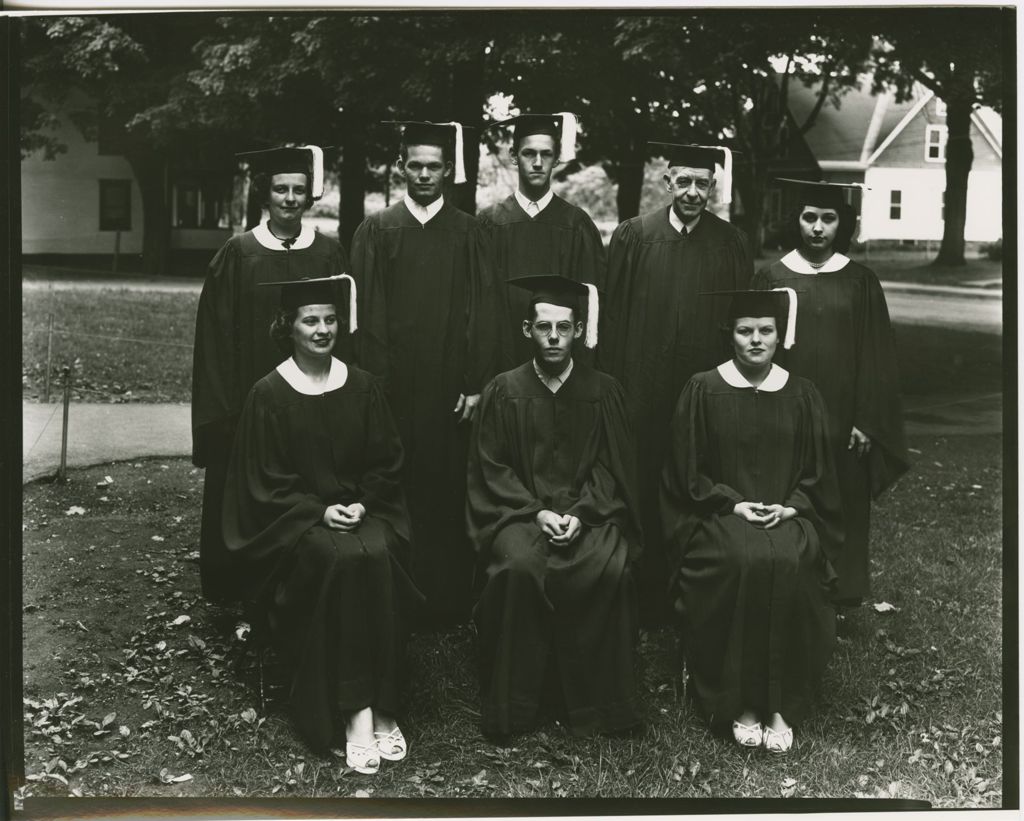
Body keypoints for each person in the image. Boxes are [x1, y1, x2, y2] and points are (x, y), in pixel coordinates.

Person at [221, 276, 421, 774]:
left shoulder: (362, 385)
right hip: (295, 525)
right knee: (342, 557)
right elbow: (261, 485)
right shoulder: (268, 394)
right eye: (310, 320)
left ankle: (387, 706)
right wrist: (317, 511)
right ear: (287, 326)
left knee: (376, 551)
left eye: (330, 320)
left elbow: (386, 461)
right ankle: (358, 710)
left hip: (363, 511)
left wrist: (364, 503)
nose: (322, 329)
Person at [660, 289, 843, 754]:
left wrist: (792, 505)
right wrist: (733, 503)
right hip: (721, 514)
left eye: (766, 331)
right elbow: (688, 472)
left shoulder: (802, 393)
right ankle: (741, 700)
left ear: (780, 336)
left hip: (787, 513)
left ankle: (779, 703)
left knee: (788, 561)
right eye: (745, 331)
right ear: (730, 336)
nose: (756, 340)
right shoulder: (703, 388)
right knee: (745, 559)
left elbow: (818, 473)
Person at [468, 275, 643, 739]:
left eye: (563, 328)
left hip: (589, 513)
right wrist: (538, 513)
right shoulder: (503, 391)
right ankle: (516, 708)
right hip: (520, 515)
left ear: (578, 331)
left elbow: (613, 469)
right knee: (519, 568)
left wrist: (582, 513)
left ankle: (601, 707)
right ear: (527, 330)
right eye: (544, 327)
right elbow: (492, 469)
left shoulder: (603, 390)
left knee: (608, 569)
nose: (553, 337)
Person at [350, 120, 499, 625]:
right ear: (401, 168)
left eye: (433, 166)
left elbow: (482, 311)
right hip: (393, 388)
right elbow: (366, 315)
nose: (423, 174)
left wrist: (476, 383)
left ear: (449, 171)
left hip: (449, 389)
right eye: (414, 165)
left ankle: (446, 601)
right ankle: (394, 595)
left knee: (445, 484)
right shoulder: (377, 229)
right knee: (395, 483)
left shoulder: (468, 232)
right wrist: (374, 386)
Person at [600, 142, 753, 623]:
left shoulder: (731, 242)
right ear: (666, 183)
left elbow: (741, 323)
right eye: (683, 181)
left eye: (702, 183)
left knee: (698, 480)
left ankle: (695, 590)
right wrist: (615, 386)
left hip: (704, 391)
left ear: (713, 187)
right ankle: (640, 592)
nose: (692, 191)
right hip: (641, 388)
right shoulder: (633, 236)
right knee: (643, 481)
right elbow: (613, 316)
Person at [192, 145, 351, 605]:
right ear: (266, 193)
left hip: (311, 404)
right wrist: (226, 413)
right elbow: (214, 342)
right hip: (247, 407)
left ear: (309, 195)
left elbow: (345, 334)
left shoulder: (328, 253)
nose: (289, 198)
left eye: (299, 190)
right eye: (281, 189)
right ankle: (241, 593)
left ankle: (305, 587)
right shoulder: (238, 253)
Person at [752, 179, 908, 606]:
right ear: (796, 221)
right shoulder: (772, 277)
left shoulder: (860, 280)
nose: (818, 228)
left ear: (843, 224)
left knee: (845, 500)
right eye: (809, 218)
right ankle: (790, 585)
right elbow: (755, 346)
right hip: (787, 412)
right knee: (788, 493)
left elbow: (877, 357)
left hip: (845, 417)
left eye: (828, 218)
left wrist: (866, 419)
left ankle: (843, 591)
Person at [477, 112, 605, 370]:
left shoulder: (577, 224)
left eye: (546, 154)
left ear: (556, 159)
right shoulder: (489, 223)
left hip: (562, 370)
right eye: (528, 153)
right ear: (514, 156)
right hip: (500, 364)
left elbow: (588, 305)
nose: (537, 162)